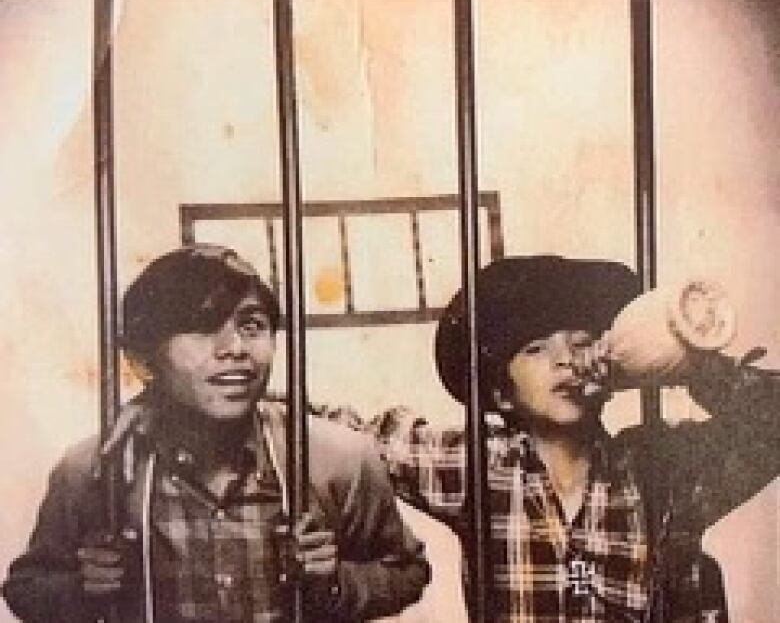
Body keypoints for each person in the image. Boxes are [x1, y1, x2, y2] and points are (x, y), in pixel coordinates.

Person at [2, 244, 430, 623]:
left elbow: (407, 571)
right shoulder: (94, 469)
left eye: (252, 324)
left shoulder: (333, 460)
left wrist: (335, 582)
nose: (235, 348)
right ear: (142, 359)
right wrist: (82, 590)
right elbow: (26, 587)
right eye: (205, 326)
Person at [382, 255, 779, 622]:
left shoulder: (662, 468)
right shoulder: (479, 466)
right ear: (501, 393)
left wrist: (686, 363)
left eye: (582, 342)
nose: (565, 359)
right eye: (536, 350)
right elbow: (357, 441)